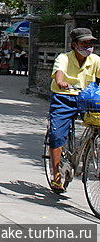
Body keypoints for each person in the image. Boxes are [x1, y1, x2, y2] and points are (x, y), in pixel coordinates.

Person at [48, 27, 100, 191]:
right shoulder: (64, 58)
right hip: (65, 97)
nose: (88, 46)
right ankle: (56, 174)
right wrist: (61, 81)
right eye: (84, 43)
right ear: (74, 44)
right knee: (57, 135)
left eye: (90, 43)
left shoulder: (96, 60)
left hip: (87, 99)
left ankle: (89, 151)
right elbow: (59, 73)